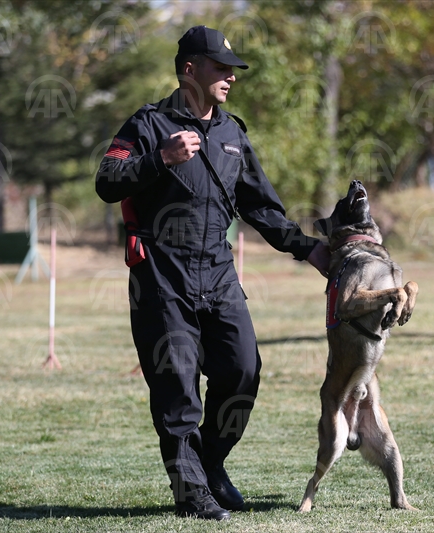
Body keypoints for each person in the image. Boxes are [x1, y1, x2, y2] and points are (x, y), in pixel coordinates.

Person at [95, 25, 330, 521]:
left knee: (243, 371)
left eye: (232, 69)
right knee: (177, 386)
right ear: (190, 70)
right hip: (162, 274)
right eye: (221, 68)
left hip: (218, 272)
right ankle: (192, 494)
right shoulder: (149, 124)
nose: (231, 77)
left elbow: (261, 207)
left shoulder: (231, 133)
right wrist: (161, 158)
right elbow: (107, 180)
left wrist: (309, 250)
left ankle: (210, 462)